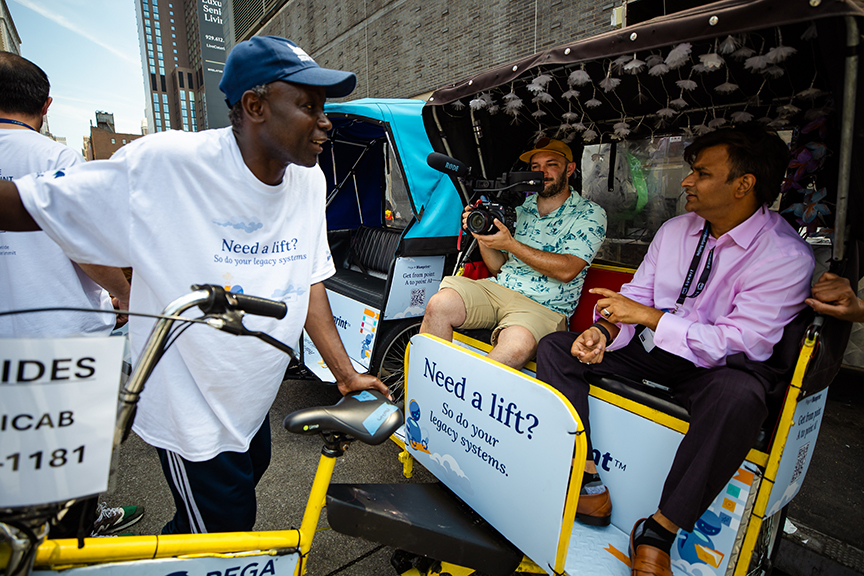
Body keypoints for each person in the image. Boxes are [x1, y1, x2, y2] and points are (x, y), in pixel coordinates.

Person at [0, 36, 388, 535]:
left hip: (251, 399)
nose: (325, 120)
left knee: (226, 506)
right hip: (191, 408)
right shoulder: (168, 164)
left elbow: (308, 279)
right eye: (309, 106)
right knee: (225, 532)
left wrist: (346, 374)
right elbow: (25, 204)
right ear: (255, 106)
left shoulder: (308, 180)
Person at [535, 126, 814, 576]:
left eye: (701, 174)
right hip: (652, 348)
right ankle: (587, 480)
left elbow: (738, 343)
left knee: (740, 398)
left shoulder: (785, 256)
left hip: (717, 369)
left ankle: (659, 530)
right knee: (556, 346)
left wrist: (648, 319)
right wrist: (604, 333)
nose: (686, 182)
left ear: (744, 185)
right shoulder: (675, 230)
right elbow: (635, 298)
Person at [0, 52, 143, 538]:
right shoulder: (55, 158)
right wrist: (122, 292)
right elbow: (85, 243)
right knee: (69, 451)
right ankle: (72, 535)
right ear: (46, 105)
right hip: (64, 333)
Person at [420, 138, 607, 368]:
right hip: (500, 290)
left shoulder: (590, 213)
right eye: (536, 167)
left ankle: (461, 393)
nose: (542, 172)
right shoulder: (522, 209)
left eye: (551, 164)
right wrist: (483, 236)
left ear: (570, 169)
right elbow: (499, 267)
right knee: (439, 304)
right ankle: (432, 382)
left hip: (543, 307)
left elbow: (568, 269)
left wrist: (511, 244)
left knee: (516, 344)